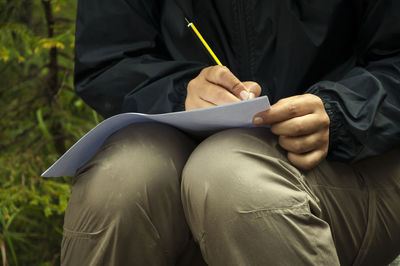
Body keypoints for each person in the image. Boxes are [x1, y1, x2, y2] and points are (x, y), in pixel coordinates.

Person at [61, 0, 400, 265]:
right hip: (181, 150)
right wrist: (180, 92)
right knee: (119, 183)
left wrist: (340, 111)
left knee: (232, 179)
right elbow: (108, 59)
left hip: (355, 161)